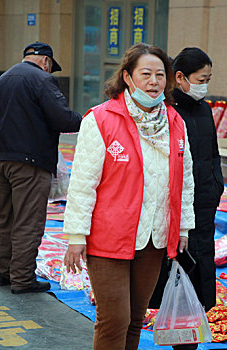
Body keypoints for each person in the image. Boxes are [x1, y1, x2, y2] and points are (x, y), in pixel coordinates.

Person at [63, 43, 195, 350]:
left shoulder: (175, 122)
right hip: (109, 237)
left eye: (160, 75)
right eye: (145, 74)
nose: (154, 82)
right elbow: (83, 182)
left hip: (154, 237)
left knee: (136, 318)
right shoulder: (101, 119)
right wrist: (76, 235)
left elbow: (185, 181)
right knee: (114, 320)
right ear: (127, 77)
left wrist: (183, 227)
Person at [0, 41, 82, 294]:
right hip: (29, 163)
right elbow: (64, 119)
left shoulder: (3, 79)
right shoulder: (43, 80)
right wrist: (90, 120)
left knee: (5, 217)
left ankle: (3, 272)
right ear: (46, 62)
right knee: (28, 221)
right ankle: (22, 279)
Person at [150, 47, 223, 350]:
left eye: (208, 78)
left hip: (204, 202)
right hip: (174, 206)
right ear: (179, 77)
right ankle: (175, 331)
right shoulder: (165, 111)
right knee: (174, 266)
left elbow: (212, 154)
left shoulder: (204, 109)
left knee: (201, 263)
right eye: (200, 78)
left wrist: (216, 186)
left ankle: (191, 333)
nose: (205, 84)